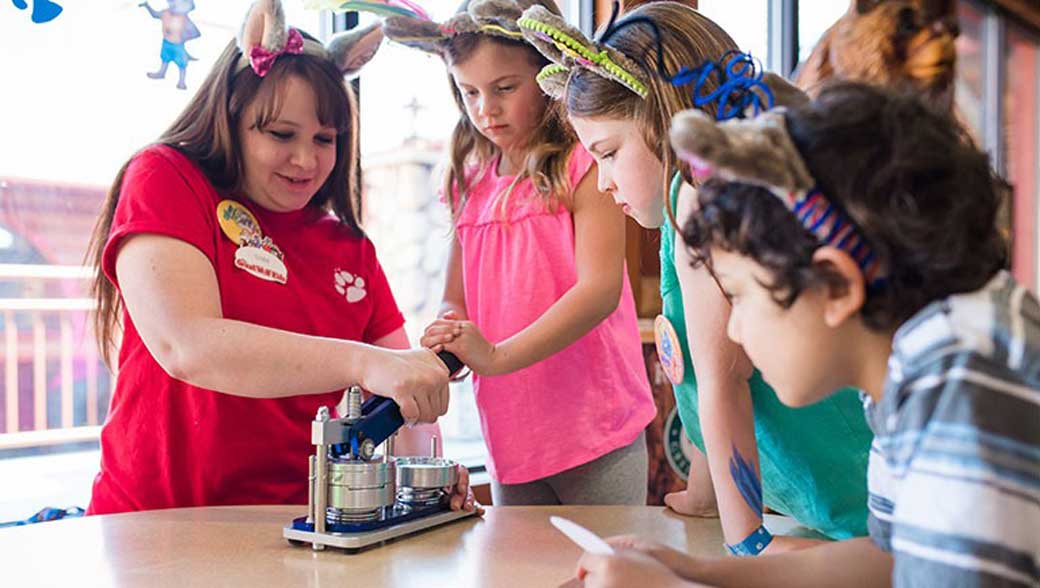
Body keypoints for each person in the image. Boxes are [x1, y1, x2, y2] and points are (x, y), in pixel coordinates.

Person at [581, 81, 1039, 587]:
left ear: (837, 283)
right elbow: (889, 562)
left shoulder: (963, 392)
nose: (733, 327)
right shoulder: (918, 369)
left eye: (739, 295)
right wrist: (696, 572)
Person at [85, 0, 476, 515]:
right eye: (281, 134)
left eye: (325, 139)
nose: (306, 160)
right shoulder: (166, 177)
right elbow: (187, 345)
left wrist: (428, 481)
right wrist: (367, 362)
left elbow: (408, 398)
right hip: (155, 520)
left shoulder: (350, 248)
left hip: (297, 525)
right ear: (231, 117)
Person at [518, 1, 871, 551]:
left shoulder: (695, 201)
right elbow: (697, 371)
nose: (605, 182)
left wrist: (745, 543)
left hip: (854, 506)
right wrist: (705, 495)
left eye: (609, 153)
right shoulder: (681, 203)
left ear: (667, 120)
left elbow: (722, 378)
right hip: (827, 508)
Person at [374, 0, 656, 506]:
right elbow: (453, 298)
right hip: (511, 431)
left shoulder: (582, 164)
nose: (486, 109)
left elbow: (599, 291)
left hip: (596, 424)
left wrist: (497, 356)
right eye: (470, 92)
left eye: (505, 88)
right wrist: (451, 333)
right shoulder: (468, 180)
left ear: (546, 79)